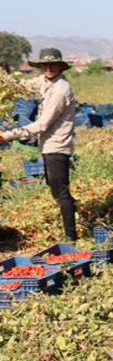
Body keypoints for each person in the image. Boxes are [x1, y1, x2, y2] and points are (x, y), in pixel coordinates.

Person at [0, 48, 79, 240]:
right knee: (58, 190)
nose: (49, 68)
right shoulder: (46, 81)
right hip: (48, 145)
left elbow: (43, 124)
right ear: (41, 66)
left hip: (57, 146)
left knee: (60, 193)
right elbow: (25, 86)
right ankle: (74, 223)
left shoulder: (61, 89)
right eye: (45, 64)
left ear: (61, 66)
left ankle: (72, 237)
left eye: (53, 64)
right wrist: (5, 81)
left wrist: (9, 135)